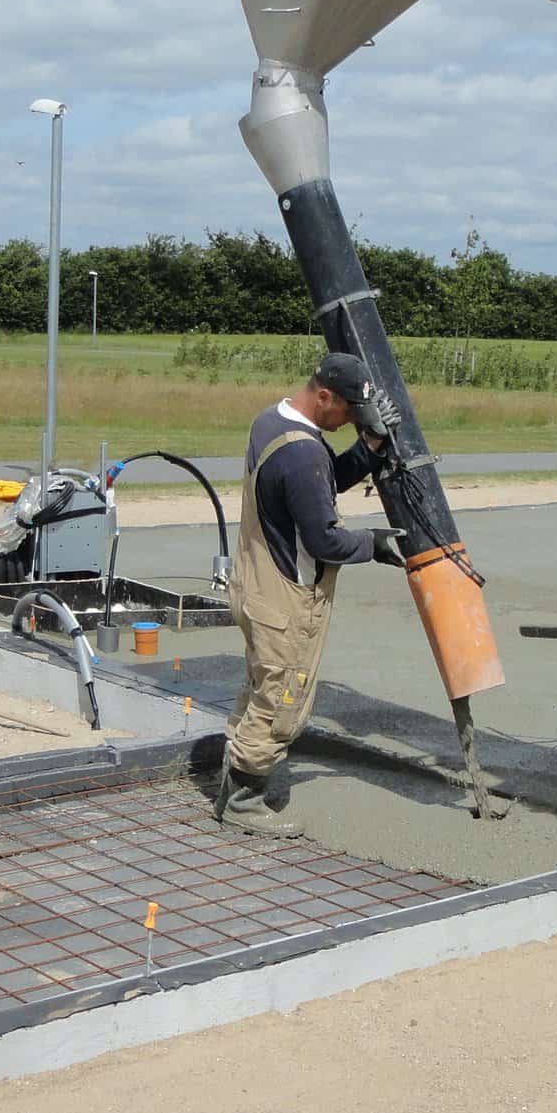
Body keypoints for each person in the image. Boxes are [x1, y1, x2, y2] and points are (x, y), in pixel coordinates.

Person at [219, 351, 407, 837]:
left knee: (262, 685)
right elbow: (325, 540)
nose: (348, 421)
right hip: (286, 597)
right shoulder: (303, 453)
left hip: (254, 582)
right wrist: (375, 543)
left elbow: (319, 481)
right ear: (323, 395)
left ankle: (233, 778)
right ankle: (243, 802)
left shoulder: (274, 422)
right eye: (347, 411)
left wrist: (369, 445)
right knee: (283, 699)